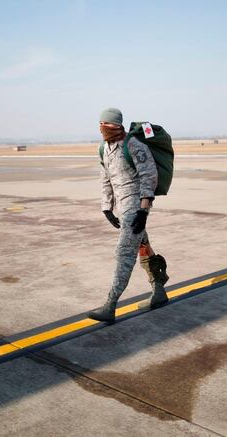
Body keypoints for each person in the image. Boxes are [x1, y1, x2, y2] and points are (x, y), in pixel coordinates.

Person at [87, 107, 169, 322]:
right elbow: (106, 178)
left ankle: (110, 304)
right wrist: (106, 207)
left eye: (105, 125)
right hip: (122, 210)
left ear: (115, 125)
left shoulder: (133, 145)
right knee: (143, 247)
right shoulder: (104, 149)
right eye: (101, 125)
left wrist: (143, 210)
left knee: (124, 253)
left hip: (135, 208)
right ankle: (158, 291)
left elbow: (148, 177)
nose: (102, 129)